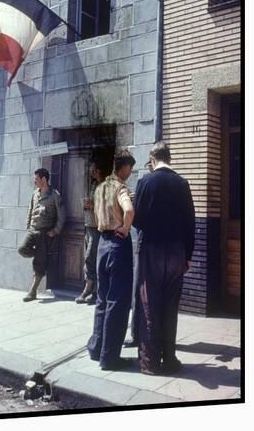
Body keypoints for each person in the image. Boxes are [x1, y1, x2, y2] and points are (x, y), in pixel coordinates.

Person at [133, 141, 195, 375]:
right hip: (177, 252)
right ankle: (169, 359)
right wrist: (187, 255)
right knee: (171, 306)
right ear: (169, 158)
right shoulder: (182, 183)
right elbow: (191, 222)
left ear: (152, 159)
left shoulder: (144, 182)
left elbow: (137, 220)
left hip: (152, 251)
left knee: (150, 305)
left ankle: (150, 362)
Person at [87, 149, 136, 371]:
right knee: (118, 302)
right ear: (123, 167)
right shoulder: (120, 187)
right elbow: (129, 210)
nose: (130, 173)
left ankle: (96, 349)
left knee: (102, 299)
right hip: (118, 244)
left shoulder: (99, 189)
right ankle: (110, 358)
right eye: (130, 169)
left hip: (101, 244)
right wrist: (125, 228)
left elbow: (96, 217)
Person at [18, 168, 65, 302]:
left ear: (44, 179)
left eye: (36, 179)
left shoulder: (54, 195)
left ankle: (32, 291)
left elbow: (62, 216)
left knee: (39, 264)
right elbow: (30, 211)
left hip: (44, 233)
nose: (34, 181)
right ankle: (39, 253)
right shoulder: (35, 194)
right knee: (22, 249)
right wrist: (28, 227)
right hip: (32, 231)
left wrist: (55, 231)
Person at [124, 160, 154, 348]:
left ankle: (137, 335)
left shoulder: (146, 182)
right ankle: (144, 334)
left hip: (145, 243)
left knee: (139, 289)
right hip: (161, 246)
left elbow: (137, 217)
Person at [75, 160, 105, 305]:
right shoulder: (93, 184)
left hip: (97, 227)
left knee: (90, 258)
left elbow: (107, 207)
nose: (91, 172)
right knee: (89, 259)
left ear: (99, 170)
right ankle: (92, 291)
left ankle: (89, 290)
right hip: (89, 224)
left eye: (93, 169)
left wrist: (94, 205)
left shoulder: (104, 186)